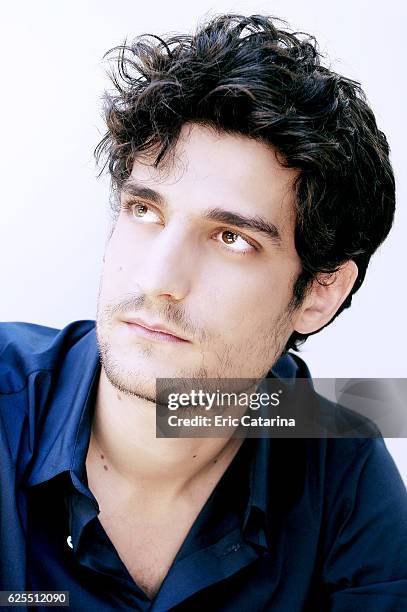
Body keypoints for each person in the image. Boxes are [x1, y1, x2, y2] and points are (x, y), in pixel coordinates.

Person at [0, 13, 406, 612]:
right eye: (145, 210)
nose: (158, 279)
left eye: (231, 238)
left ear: (320, 291)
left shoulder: (337, 455)